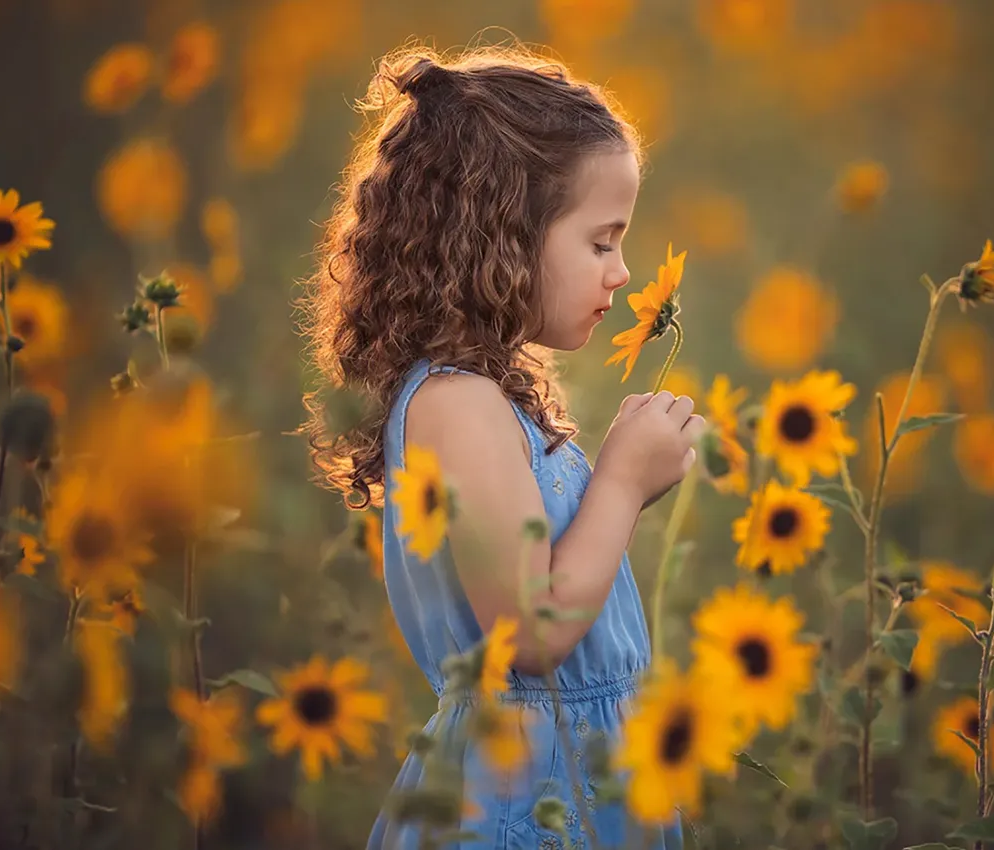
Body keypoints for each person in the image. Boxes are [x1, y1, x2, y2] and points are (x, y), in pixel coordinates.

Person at [299, 44, 701, 849]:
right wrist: (621, 482)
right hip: (523, 802)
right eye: (600, 242)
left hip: (575, 775)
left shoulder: (489, 395)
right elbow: (533, 632)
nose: (623, 273)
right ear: (503, 236)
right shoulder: (458, 404)